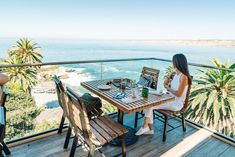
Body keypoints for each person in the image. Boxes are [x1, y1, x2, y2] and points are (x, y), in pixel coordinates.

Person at [136, 54, 192, 135]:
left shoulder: (184, 77)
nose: (172, 63)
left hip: (176, 103)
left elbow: (179, 94)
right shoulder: (176, 74)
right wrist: (168, 77)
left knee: (150, 105)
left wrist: (168, 89)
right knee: (149, 102)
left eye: (173, 61)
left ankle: (145, 127)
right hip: (169, 98)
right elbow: (165, 85)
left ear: (177, 62)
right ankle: (149, 129)